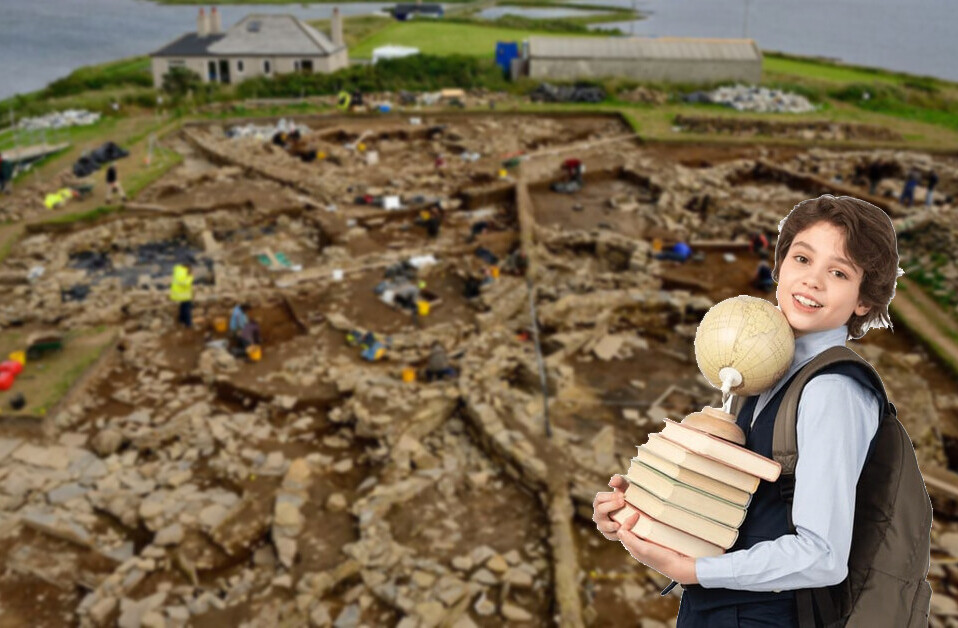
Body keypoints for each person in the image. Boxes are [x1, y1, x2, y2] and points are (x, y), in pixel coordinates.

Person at [593, 195, 908, 626]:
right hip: (715, 607)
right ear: (781, 266)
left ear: (864, 301)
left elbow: (823, 555)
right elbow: (739, 503)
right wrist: (641, 507)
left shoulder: (832, 391)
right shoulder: (763, 366)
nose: (812, 280)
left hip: (769, 617)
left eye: (839, 272)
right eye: (802, 259)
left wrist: (697, 570)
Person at [169, 264, 194, 328]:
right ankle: (188, 323)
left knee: (183, 307)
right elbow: (186, 283)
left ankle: (181, 320)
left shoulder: (179, 272)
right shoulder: (183, 274)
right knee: (187, 308)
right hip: (184, 295)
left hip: (180, 294)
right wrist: (191, 277)